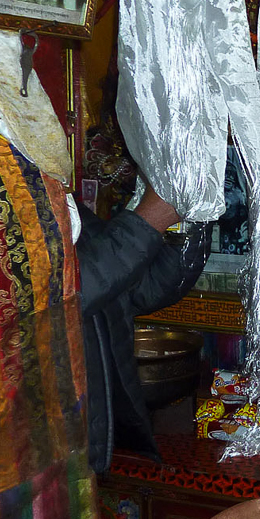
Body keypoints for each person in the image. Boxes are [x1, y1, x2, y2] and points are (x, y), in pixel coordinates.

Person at [78, 183, 209, 472]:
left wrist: (191, 217)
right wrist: (151, 217)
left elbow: (139, 288)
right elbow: (64, 293)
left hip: (97, 430)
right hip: (36, 447)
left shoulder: (47, 196)